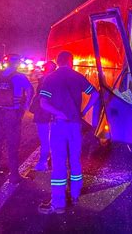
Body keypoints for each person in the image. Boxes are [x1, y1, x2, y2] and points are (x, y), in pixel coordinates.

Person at [37, 51, 99, 214]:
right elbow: (95, 94)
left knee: (58, 163)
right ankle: (75, 195)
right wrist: (84, 110)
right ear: (70, 61)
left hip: (59, 125)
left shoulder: (50, 78)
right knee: (75, 160)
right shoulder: (77, 76)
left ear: (58, 62)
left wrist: (57, 113)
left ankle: (58, 204)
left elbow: (43, 103)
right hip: (75, 125)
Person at [0, 54, 34, 183]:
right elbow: (30, 90)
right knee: (12, 143)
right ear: (17, 63)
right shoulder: (20, 77)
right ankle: (14, 175)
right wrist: (26, 105)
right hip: (13, 114)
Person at [29, 61, 57, 171]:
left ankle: (42, 162)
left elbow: (41, 98)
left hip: (43, 112)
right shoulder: (56, 80)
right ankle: (51, 161)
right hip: (52, 112)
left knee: (44, 139)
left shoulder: (44, 80)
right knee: (53, 138)